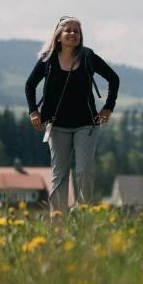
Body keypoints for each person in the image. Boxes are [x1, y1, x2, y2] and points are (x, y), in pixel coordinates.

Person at [25, 16, 120, 213]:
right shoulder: (47, 59)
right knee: (60, 174)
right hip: (56, 125)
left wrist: (108, 108)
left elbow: (113, 78)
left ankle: (84, 215)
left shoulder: (87, 57)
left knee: (84, 171)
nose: (72, 34)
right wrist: (33, 111)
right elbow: (30, 85)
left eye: (76, 31)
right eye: (68, 30)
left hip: (86, 124)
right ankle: (57, 220)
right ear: (58, 36)